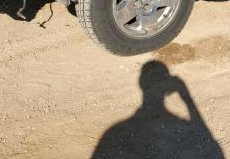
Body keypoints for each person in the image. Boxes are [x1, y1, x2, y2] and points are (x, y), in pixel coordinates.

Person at [91, 61, 223, 159]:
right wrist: (187, 99)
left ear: (141, 83)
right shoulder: (182, 129)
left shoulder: (114, 133)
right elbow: (212, 148)